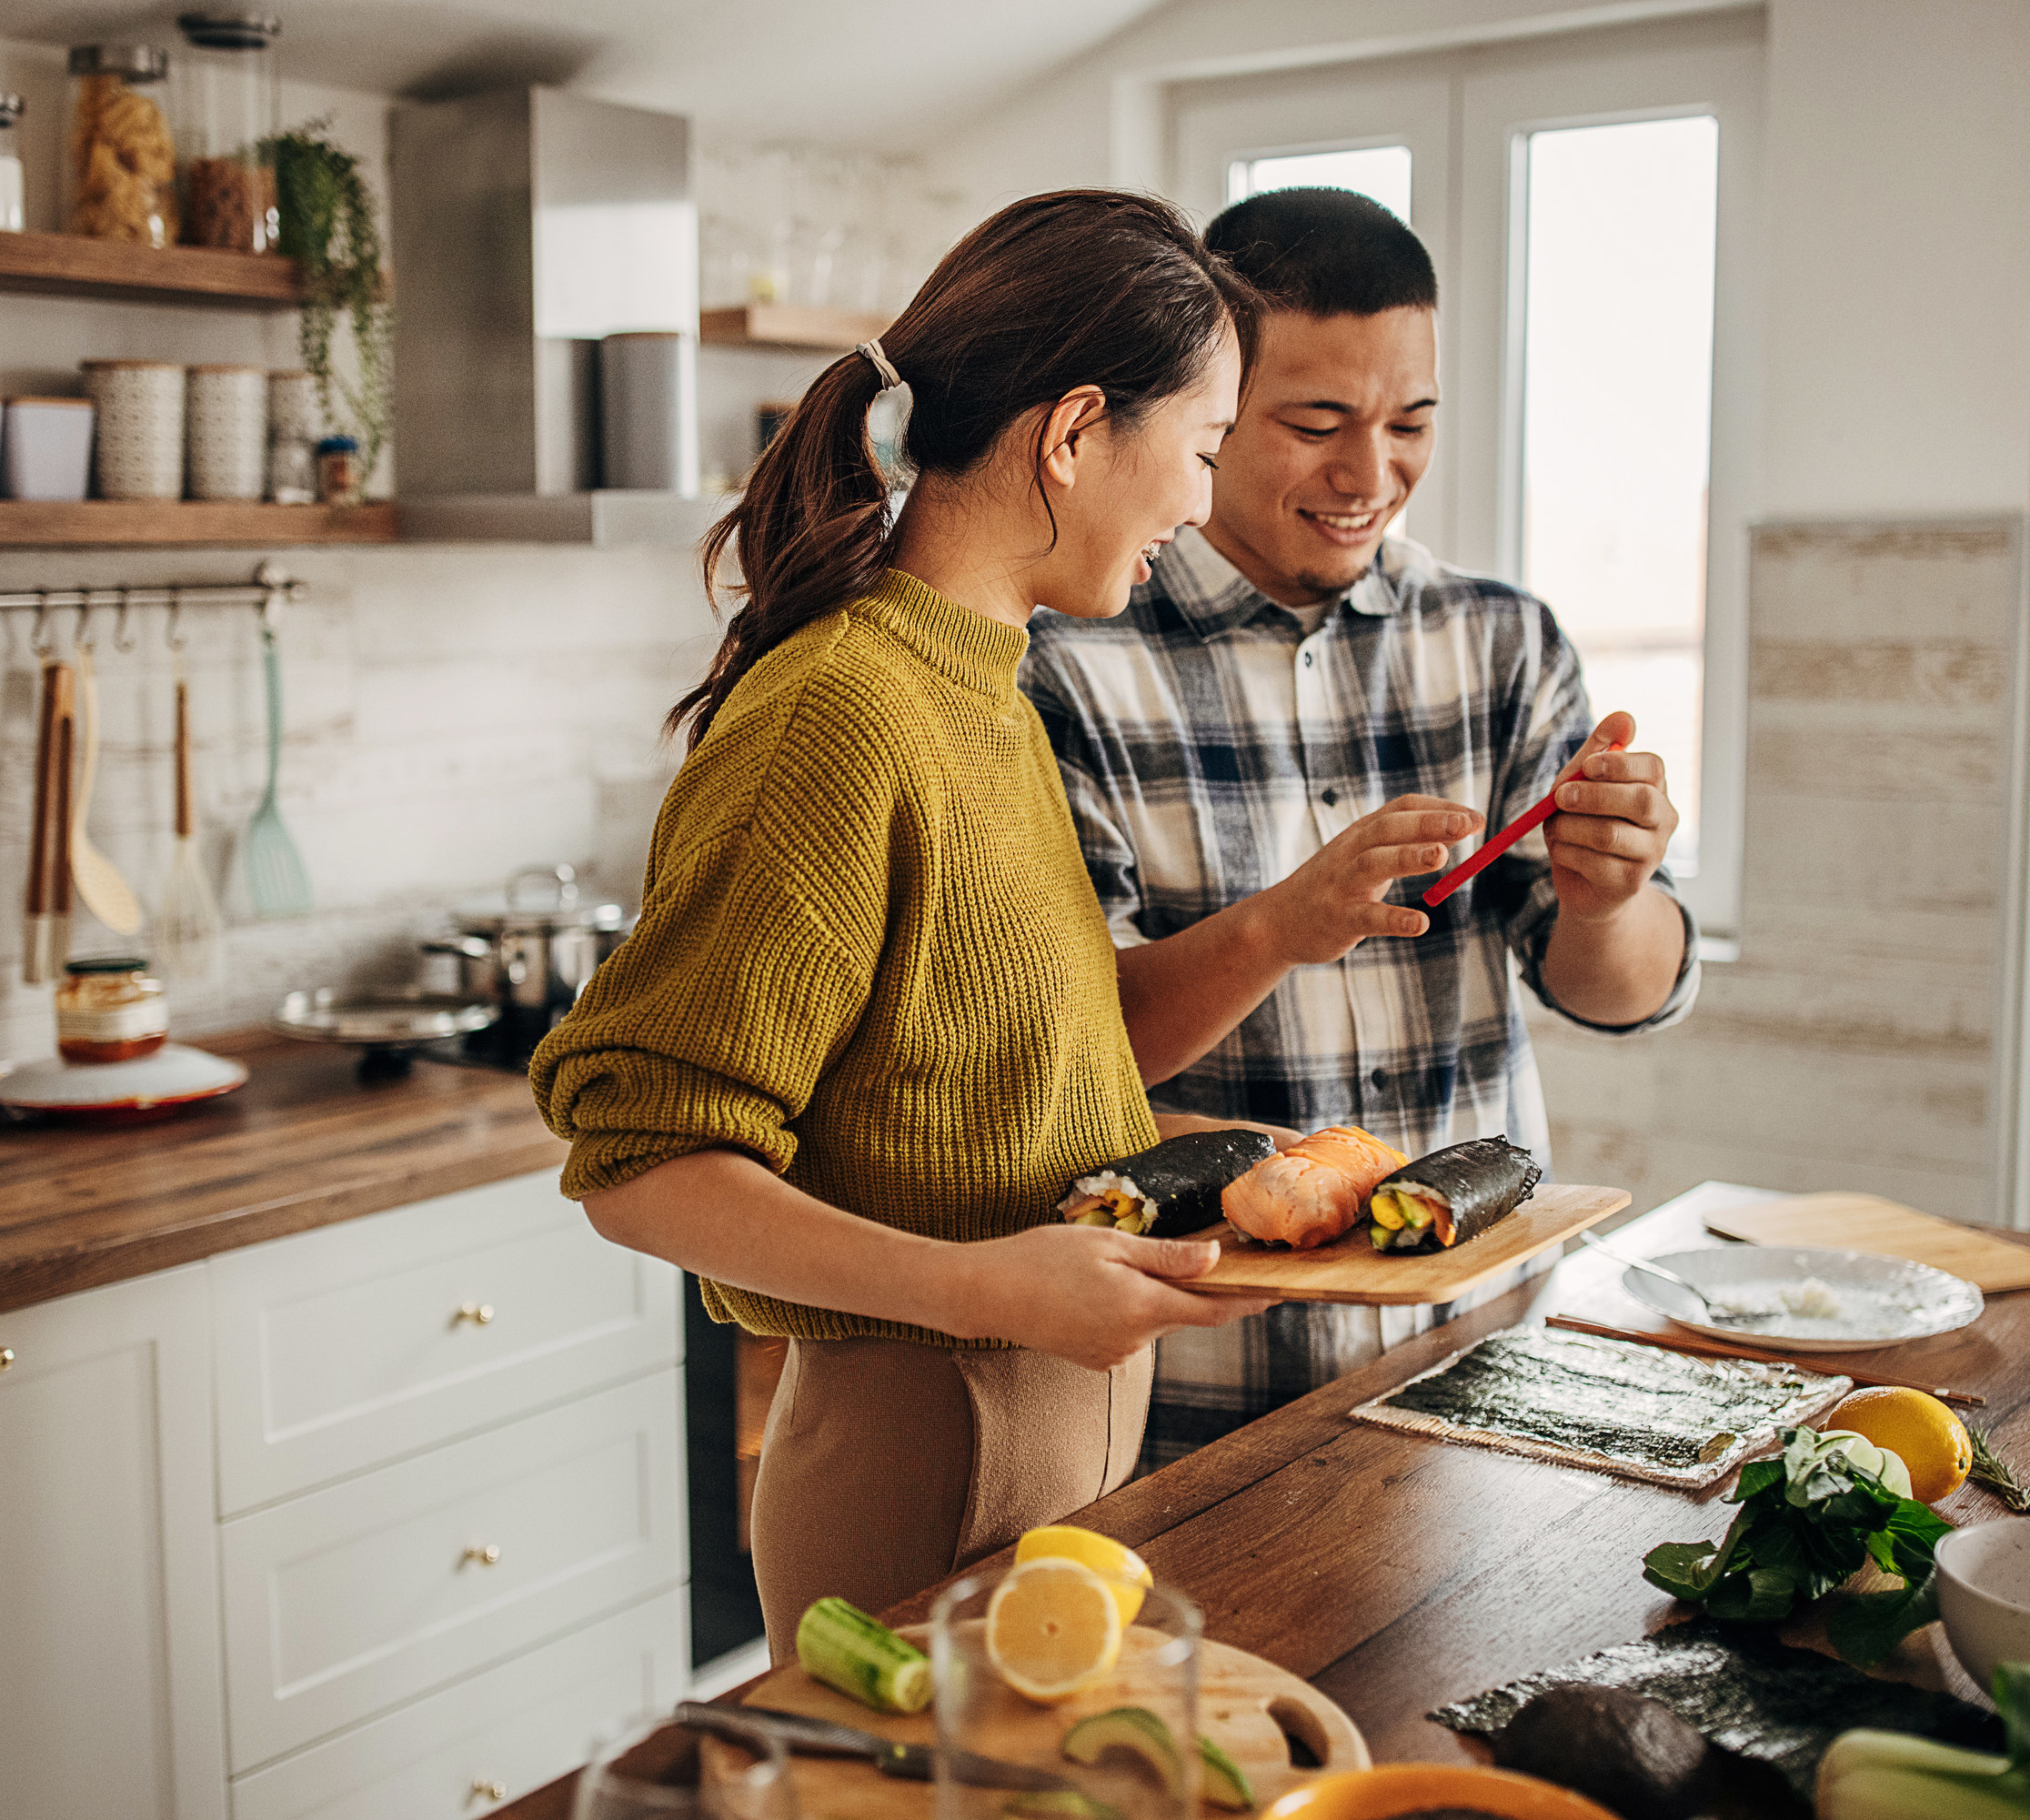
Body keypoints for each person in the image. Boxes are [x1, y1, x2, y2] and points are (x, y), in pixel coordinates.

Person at [532, 189, 1281, 1657]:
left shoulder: (981, 693)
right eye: (1200, 449)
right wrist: (976, 1284)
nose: (1202, 505)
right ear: (1073, 435)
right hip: (923, 1456)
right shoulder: (839, 712)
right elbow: (639, 1159)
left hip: (1050, 1448)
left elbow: (997, 1058)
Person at [1020, 186, 1701, 1469]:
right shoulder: (1072, 665)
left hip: (1491, 1362)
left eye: (1411, 423)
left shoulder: (1501, 642)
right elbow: (1080, 1056)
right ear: (1208, 403)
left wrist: (1613, 897)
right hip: (1195, 1391)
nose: (1369, 474)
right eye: (1316, 423)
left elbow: (1615, 996)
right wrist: (1280, 927)